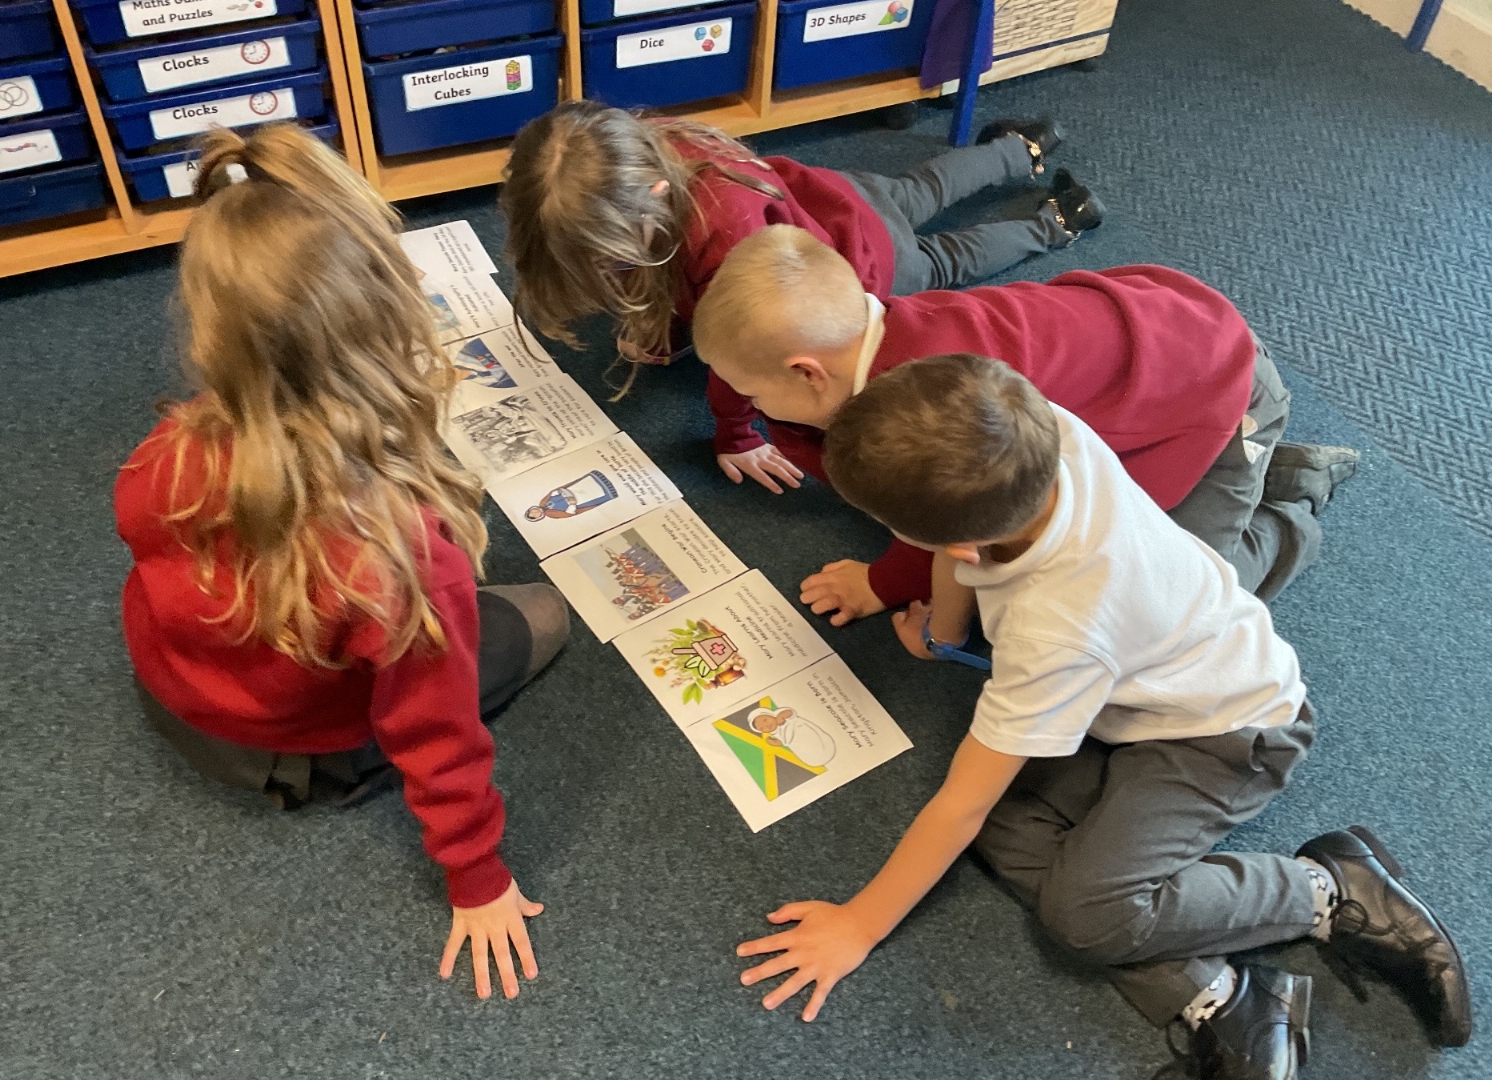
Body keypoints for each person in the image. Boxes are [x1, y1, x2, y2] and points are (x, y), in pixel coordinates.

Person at [734, 355, 1472, 1078]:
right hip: (1132, 699)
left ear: (956, 543)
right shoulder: (1037, 431)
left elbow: (960, 802)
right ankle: (1219, 992)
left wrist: (859, 925)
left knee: (1081, 915)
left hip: (1231, 735)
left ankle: (1327, 890)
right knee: (1004, 828)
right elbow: (963, 557)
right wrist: (943, 634)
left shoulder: (1054, 635)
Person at [115, 124, 570, 1003]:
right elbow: (435, 736)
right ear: (390, 321)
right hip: (297, 752)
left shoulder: (162, 451)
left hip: (174, 693)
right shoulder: (398, 558)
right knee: (544, 613)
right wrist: (475, 877)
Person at [690, 225, 1359, 614]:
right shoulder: (857, 331)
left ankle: (1290, 508)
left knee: (1180, 598)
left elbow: (944, 522)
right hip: (1148, 345)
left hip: (1221, 387)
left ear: (809, 372)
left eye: (752, 395)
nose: (746, 401)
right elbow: (745, 372)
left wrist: (880, 585)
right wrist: (736, 428)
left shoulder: (922, 402)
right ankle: (1255, 471)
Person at [498, 99, 1103, 493]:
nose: (608, 274)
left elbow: (745, 354)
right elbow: (663, 267)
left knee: (945, 258)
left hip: (857, 273)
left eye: (612, 259)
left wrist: (737, 435)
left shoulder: (726, 242)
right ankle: (1020, 147)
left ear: (654, 197)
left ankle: (1056, 222)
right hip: (835, 200)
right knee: (920, 190)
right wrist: (659, 319)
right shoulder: (634, 150)